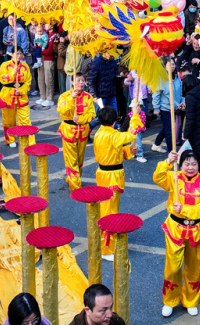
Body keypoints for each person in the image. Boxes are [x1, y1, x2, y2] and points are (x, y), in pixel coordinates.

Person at [154, 150, 200, 317]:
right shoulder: (174, 178)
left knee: (195, 267)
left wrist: (185, 209)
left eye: (194, 163)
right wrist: (167, 161)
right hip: (175, 229)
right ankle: (170, 300)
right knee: (172, 268)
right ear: (181, 164)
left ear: (198, 165)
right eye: (186, 163)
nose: (190, 167)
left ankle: (190, 300)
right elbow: (157, 178)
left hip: (197, 230)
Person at [93, 106, 140, 260]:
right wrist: (136, 115)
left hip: (104, 173)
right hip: (111, 176)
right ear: (114, 121)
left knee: (107, 209)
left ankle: (108, 243)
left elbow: (114, 151)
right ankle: (106, 249)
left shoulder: (100, 132)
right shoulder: (113, 135)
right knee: (109, 211)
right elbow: (132, 132)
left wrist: (128, 152)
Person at [57, 73, 96, 190]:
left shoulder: (88, 97)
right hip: (69, 130)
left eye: (83, 81)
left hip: (83, 131)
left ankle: (73, 177)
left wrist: (81, 119)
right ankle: (75, 186)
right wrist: (70, 99)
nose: (81, 83)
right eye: (78, 80)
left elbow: (92, 114)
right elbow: (61, 110)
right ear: (72, 82)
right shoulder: (65, 96)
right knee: (71, 159)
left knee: (79, 159)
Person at [0, 48, 32, 147]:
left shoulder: (25, 66)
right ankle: (10, 139)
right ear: (12, 54)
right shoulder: (5, 65)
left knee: (25, 119)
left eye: (20, 53)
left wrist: (21, 90)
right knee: (9, 121)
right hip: (8, 95)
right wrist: (13, 73)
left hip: (21, 96)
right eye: (16, 53)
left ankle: (28, 139)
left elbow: (28, 81)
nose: (18, 55)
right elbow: (2, 79)